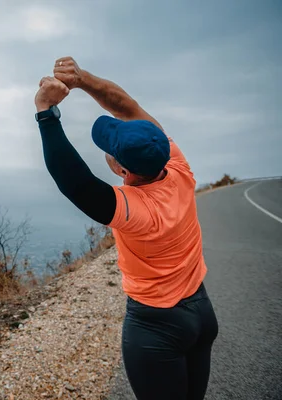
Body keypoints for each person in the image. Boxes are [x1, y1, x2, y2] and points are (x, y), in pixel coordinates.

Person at [33, 56, 219, 400]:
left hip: (157, 327)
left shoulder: (137, 210)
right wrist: (81, 79)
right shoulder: (177, 166)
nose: (115, 129)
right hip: (202, 314)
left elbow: (74, 180)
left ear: (121, 169)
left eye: (111, 145)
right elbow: (127, 106)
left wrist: (46, 111)